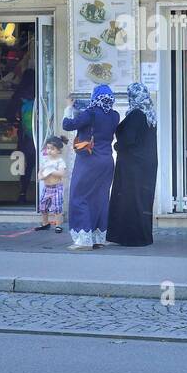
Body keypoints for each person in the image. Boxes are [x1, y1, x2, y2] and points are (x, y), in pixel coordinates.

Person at [61, 84, 119, 251]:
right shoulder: (114, 115)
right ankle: (97, 237)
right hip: (107, 161)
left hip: (89, 160)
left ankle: (83, 239)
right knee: (100, 198)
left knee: (79, 196)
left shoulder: (91, 113)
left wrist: (69, 107)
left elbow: (68, 125)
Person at [107, 81, 158, 247]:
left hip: (133, 165)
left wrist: (116, 146)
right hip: (145, 164)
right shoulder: (148, 112)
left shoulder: (136, 114)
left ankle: (132, 237)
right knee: (141, 200)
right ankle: (142, 236)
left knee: (131, 200)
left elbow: (128, 140)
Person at [9, 68, 38, 205]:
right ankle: (41, 194)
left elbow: (8, 114)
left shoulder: (19, 95)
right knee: (38, 164)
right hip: (38, 136)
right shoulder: (39, 92)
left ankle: (22, 193)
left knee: (23, 166)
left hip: (23, 137)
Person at [34, 136, 68, 233]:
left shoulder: (60, 161)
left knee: (57, 207)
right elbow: (40, 172)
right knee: (43, 206)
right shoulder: (45, 160)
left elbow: (61, 173)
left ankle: (58, 225)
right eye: (48, 148)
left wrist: (51, 171)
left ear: (58, 150)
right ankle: (45, 223)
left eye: (52, 149)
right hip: (46, 187)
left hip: (57, 187)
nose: (49, 151)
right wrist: (41, 176)